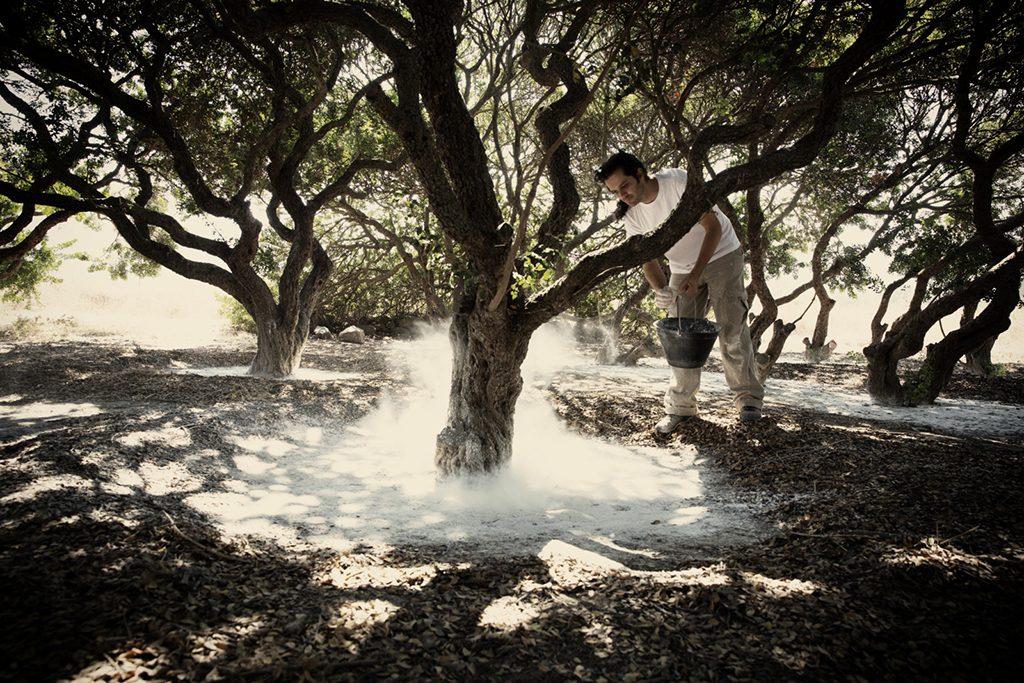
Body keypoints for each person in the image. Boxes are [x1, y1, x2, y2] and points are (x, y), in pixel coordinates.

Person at [595, 151, 763, 433]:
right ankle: (681, 407)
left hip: (722, 254)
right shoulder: (632, 215)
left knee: (731, 327)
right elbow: (647, 258)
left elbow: (713, 228)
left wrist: (697, 275)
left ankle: (748, 400)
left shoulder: (677, 182)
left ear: (640, 173)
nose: (622, 194)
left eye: (624, 185)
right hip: (682, 266)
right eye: (615, 191)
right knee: (680, 336)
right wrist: (661, 289)